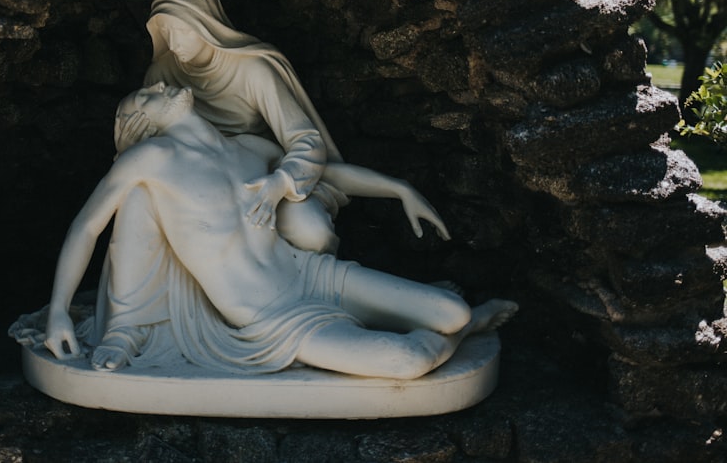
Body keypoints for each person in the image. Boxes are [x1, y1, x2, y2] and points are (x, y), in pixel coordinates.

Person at [44, 83, 516, 379]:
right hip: (273, 320)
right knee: (407, 363)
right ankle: (432, 332)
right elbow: (86, 228)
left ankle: (451, 324)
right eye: (146, 95)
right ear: (142, 123)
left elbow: (325, 173)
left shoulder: (249, 148)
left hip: (311, 276)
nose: (162, 83)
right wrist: (59, 313)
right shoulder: (151, 161)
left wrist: (398, 188)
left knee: (452, 311)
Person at [131, 0, 421, 254]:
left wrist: (280, 183)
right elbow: (151, 146)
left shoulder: (252, 70)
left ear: (204, 21)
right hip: (200, 186)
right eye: (165, 32)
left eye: (180, 30)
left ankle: (328, 294)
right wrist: (129, 145)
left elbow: (305, 140)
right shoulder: (161, 75)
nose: (173, 43)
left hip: (261, 175)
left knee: (312, 232)